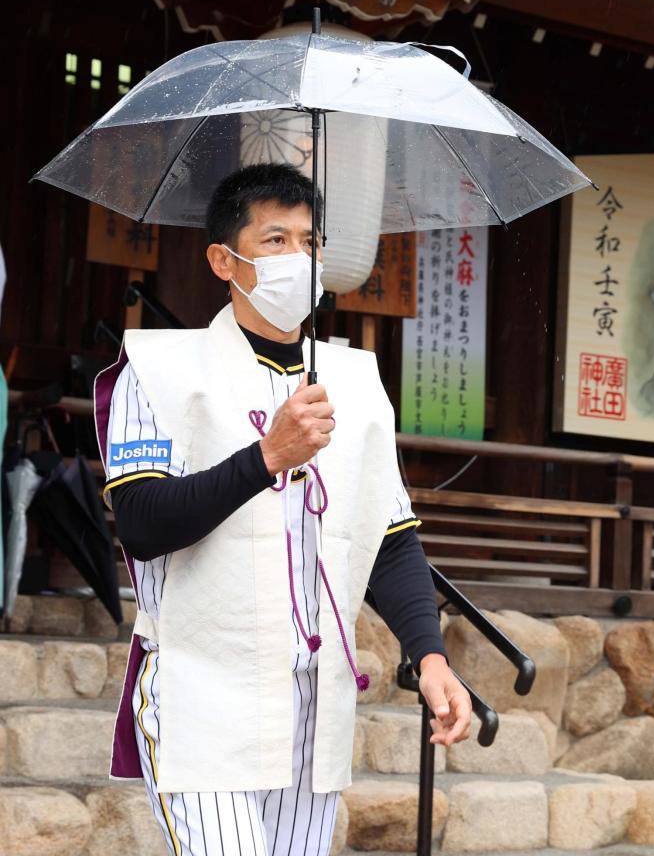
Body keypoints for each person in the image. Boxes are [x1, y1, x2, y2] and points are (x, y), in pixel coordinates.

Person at [93, 163, 472, 856]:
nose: (297, 258)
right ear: (223, 259)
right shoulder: (156, 371)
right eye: (274, 240)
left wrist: (431, 656)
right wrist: (266, 456)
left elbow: (388, 539)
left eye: (309, 241)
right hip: (201, 690)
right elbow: (143, 525)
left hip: (315, 700)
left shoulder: (353, 381)